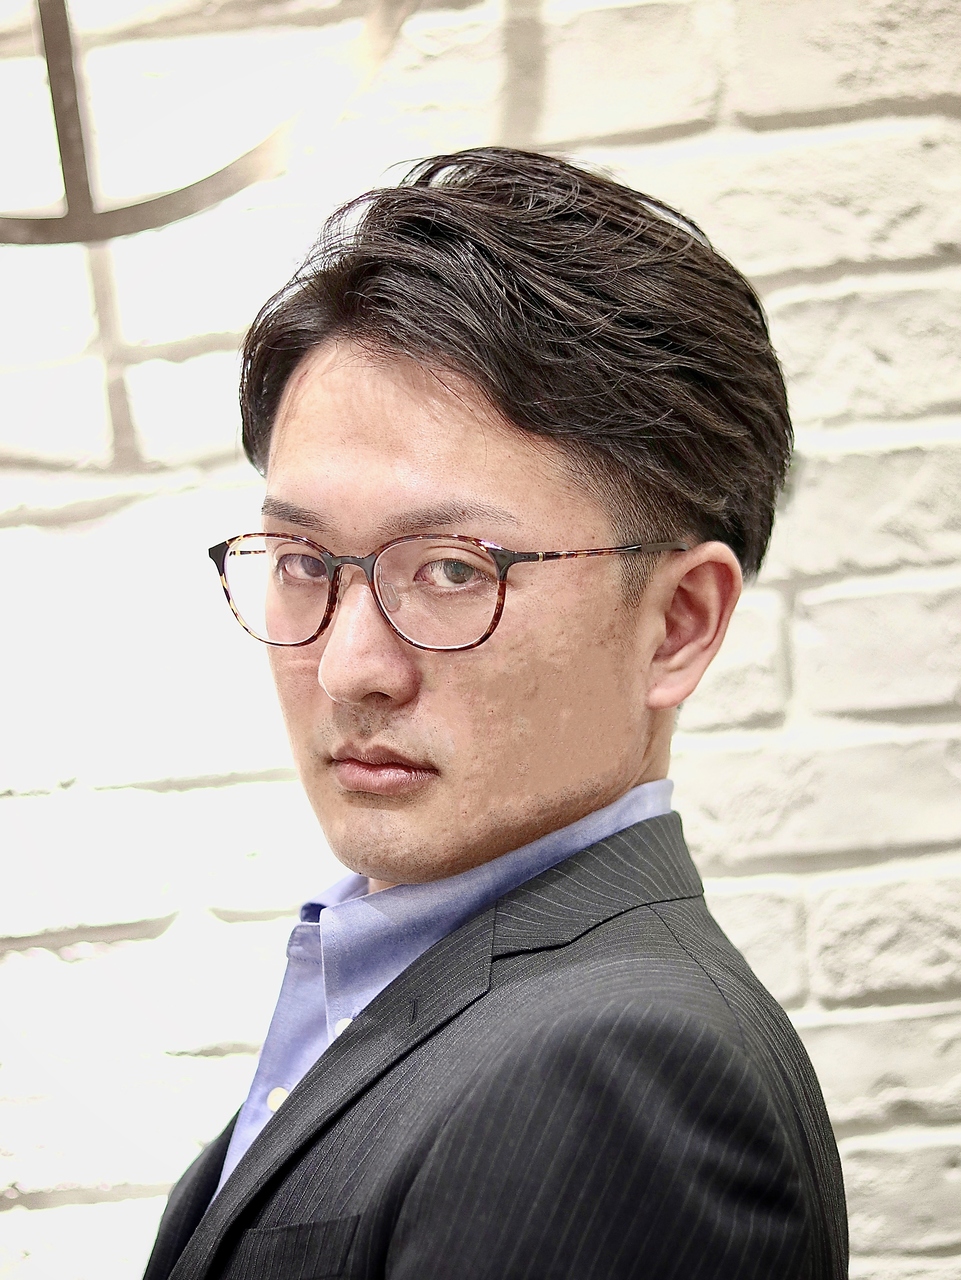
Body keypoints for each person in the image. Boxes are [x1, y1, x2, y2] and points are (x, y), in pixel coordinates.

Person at [144, 147, 847, 1280]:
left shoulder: (613, 1068)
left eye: (453, 570)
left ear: (675, 625)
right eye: (304, 560)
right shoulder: (425, 987)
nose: (349, 668)